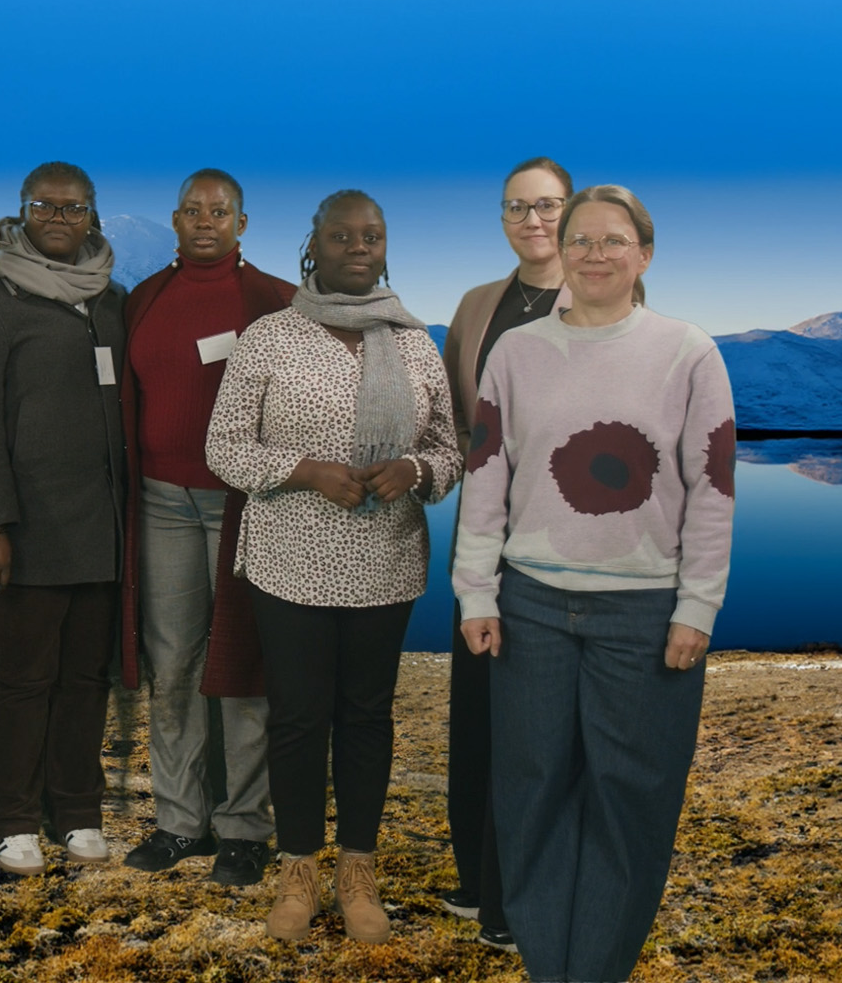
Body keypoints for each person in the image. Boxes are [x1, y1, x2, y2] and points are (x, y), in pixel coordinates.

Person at [455, 185, 735, 982]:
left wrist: (697, 607)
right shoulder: (516, 353)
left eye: (615, 240)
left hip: (645, 614)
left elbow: (712, 488)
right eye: (580, 240)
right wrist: (476, 589)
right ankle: (549, 963)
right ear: (561, 251)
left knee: (630, 800)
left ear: (644, 254)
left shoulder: (688, 353)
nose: (595, 254)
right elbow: (485, 478)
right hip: (532, 604)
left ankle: (598, 968)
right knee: (532, 792)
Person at [206, 190, 462, 943]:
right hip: (291, 560)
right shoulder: (271, 336)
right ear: (312, 248)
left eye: (371, 235)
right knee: (295, 716)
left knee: (365, 715)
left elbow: (450, 449)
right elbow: (225, 447)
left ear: (385, 249)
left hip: (385, 560)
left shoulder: (414, 342)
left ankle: (358, 868)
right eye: (342, 235)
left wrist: (415, 470)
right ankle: (297, 870)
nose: (358, 245)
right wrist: (308, 471)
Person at [0, 161, 127, 875]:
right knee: (19, 679)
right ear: (20, 214)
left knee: (85, 678)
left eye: (73, 206)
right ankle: (12, 817)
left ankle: (76, 809)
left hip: (100, 528)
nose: (58, 216)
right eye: (43, 205)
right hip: (23, 529)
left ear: (92, 217)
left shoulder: (110, 299)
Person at [118, 169, 293, 886]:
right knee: (175, 666)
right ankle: (178, 822)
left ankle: (246, 830)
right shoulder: (144, 299)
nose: (204, 221)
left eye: (219, 211)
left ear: (242, 223)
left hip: (244, 507)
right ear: (175, 218)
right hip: (160, 501)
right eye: (192, 210)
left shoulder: (275, 301)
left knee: (244, 665)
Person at [437, 156, 575, 949]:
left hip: (560, 532)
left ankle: (521, 885)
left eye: (548, 205)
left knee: (540, 710)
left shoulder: (597, 293)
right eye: (517, 207)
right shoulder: (477, 305)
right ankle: (474, 874)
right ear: (502, 218)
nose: (533, 220)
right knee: (478, 705)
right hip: (484, 532)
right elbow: (461, 425)